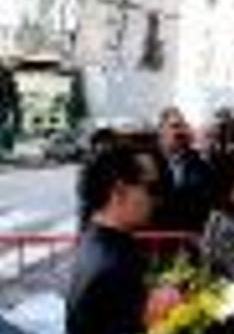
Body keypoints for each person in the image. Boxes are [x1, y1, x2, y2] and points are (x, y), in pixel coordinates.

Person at [66, 145, 163, 334]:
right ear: (118, 192)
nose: (154, 199)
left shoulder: (95, 240)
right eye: (147, 188)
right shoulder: (118, 263)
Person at [154, 107, 215, 233]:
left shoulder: (201, 167)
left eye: (182, 127)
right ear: (161, 130)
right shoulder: (148, 164)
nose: (179, 132)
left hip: (190, 236)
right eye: (174, 126)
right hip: (155, 237)